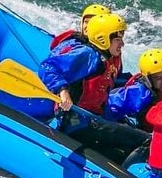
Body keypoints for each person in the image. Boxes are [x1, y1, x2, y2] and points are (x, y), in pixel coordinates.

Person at [37, 12, 149, 162]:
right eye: (117, 40)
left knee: (124, 146)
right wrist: (63, 91)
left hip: (94, 120)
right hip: (79, 124)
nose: (122, 44)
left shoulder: (108, 58)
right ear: (103, 40)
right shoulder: (87, 55)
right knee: (147, 141)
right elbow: (47, 67)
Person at [105, 48, 162, 128]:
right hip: (149, 134)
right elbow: (110, 105)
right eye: (158, 78)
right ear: (148, 79)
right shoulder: (140, 92)